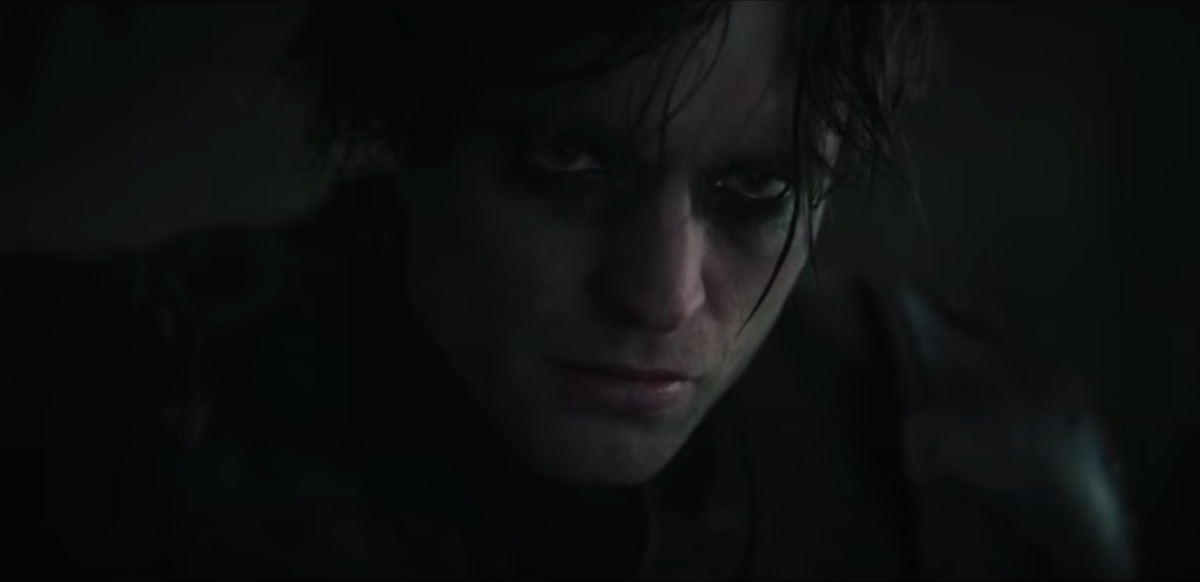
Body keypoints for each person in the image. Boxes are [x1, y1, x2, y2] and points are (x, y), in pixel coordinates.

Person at [0, 2, 1135, 579]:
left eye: (755, 191)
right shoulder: (82, 428)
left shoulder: (973, 484)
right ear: (410, 122)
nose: (660, 297)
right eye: (569, 163)